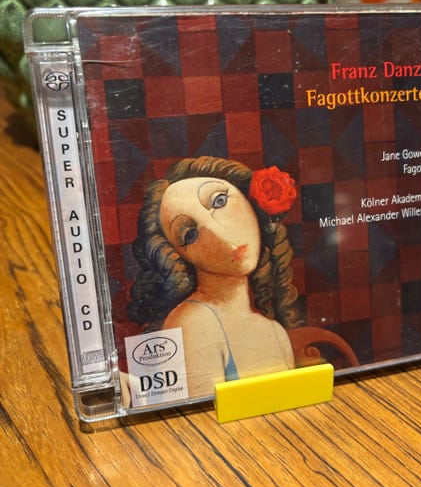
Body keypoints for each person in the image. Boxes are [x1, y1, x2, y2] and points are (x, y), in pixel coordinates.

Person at [128, 155, 301, 398]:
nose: (220, 234)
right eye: (190, 234)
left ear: (249, 199)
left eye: (219, 201)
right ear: (179, 257)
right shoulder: (193, 323)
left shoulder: (276, 331)